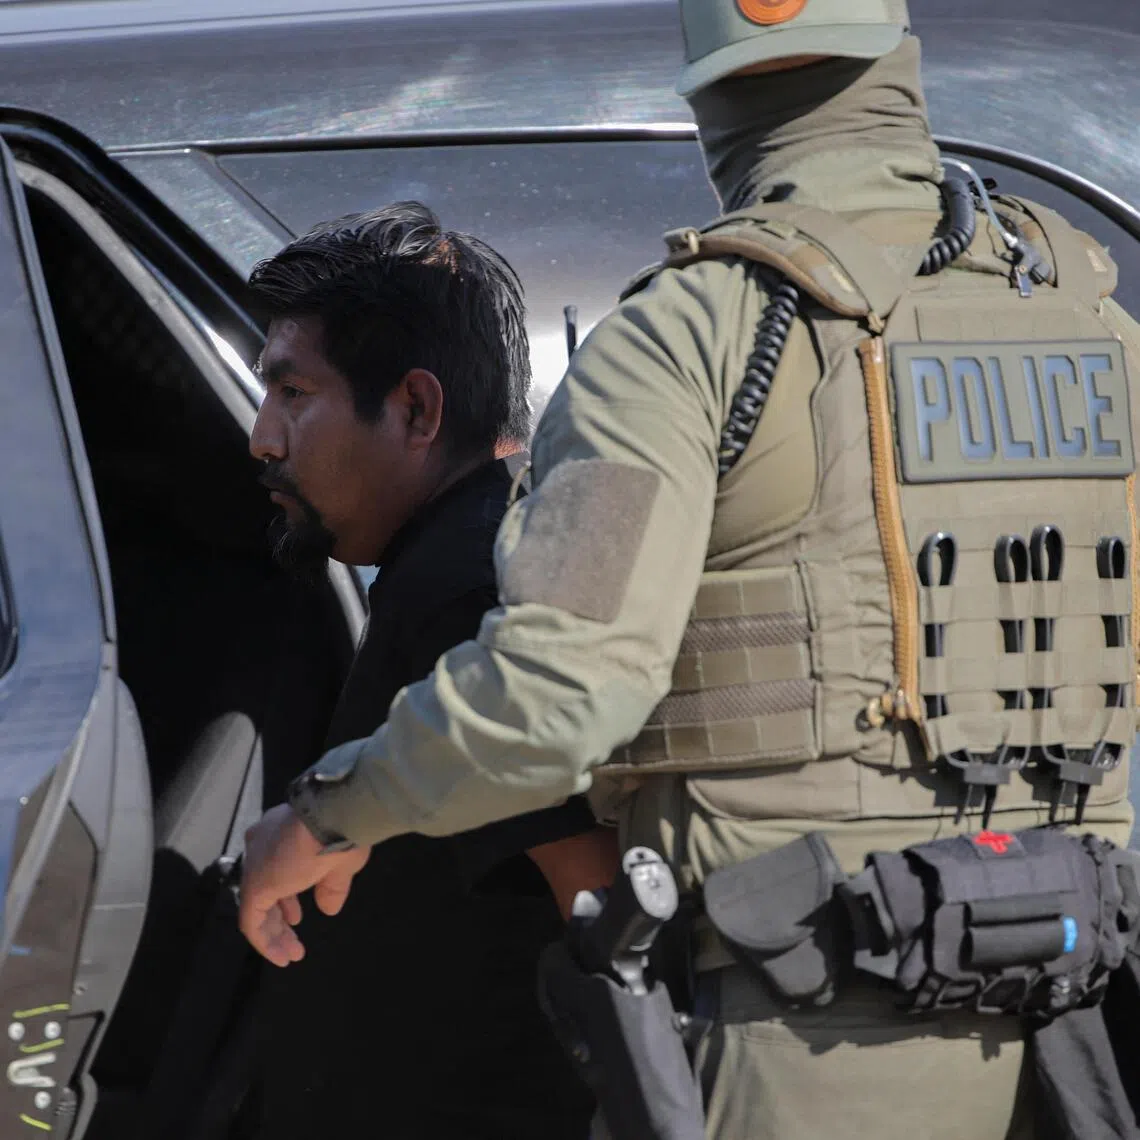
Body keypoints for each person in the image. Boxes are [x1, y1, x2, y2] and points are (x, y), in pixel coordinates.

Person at [240, 5, 1140, 1138]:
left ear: (708, 85)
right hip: (1061, 1025)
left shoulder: (691, 337)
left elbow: (556, 695)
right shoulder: (1096, 329)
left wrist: (325, 816)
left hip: (798, 1029)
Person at [242, 202, 603, 1139]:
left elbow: (599, 908)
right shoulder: (447, 560)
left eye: (293, 394)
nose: (262, 438)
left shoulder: (466, 587)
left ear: (414, 409)